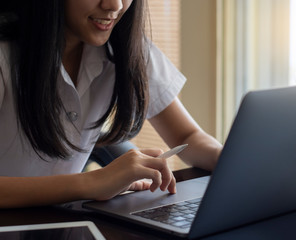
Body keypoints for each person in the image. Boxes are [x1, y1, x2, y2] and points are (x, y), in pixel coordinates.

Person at [0, 0, 222, 208]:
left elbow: (187, 136)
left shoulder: (124, 46)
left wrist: (235, 163)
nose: (115, 5)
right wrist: (92, 183)